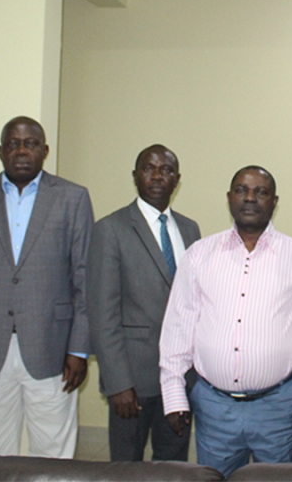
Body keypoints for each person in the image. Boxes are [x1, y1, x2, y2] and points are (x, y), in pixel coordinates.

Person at [159, 166, 292, 478]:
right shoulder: (199, 256)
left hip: (281, 408)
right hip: (215, 409)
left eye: (261, 192)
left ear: (275, 201)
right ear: (229, 197)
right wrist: (174, 392)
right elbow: (178, 326)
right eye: (242, 190)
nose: (250, 198)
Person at [0, 116, 94, 458]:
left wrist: (79, 349)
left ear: (45, 150)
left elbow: (85, 279)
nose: (22, 151)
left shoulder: (73, 197)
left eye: (30, 144)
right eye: (13, 144)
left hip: (53, 347)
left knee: (53, 453)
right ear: (1, 151)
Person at [87, 145, 201, 461]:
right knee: (127, 468)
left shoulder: (190, 229)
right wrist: (118, 383)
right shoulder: (111, 229)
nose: (157, 176)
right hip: (132, 381)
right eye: (149, 168)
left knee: (173, 465)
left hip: (181, 378)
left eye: (166, 170)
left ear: (177, 179)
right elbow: (102, 314)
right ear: (135, 176)